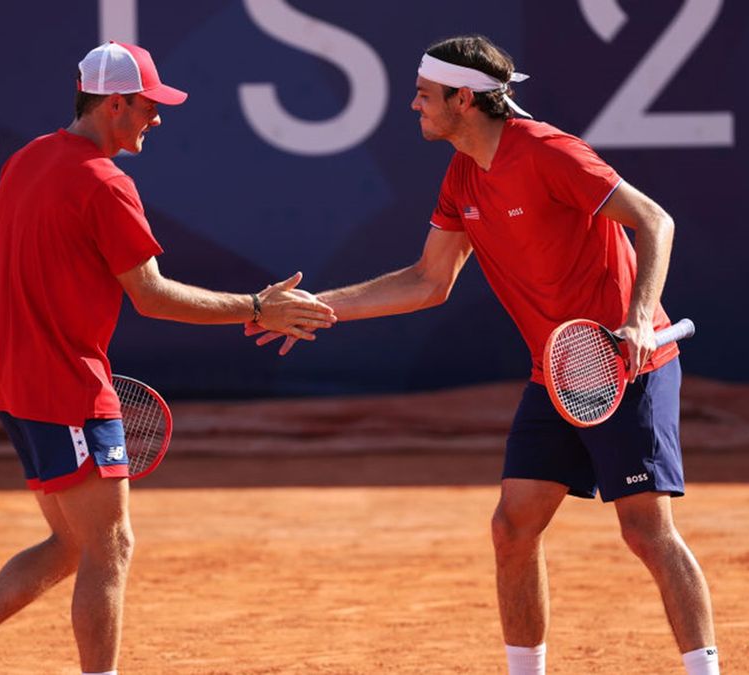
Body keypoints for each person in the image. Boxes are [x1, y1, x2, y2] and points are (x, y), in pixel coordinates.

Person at [249, 34, 719, 675]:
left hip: (624, 366)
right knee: (512, 527)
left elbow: (655, 221)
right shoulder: (462, 174)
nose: (414, 105)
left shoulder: (551, 153)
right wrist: (317, 308)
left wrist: (639, 319)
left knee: (645, 532)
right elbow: (427, 281)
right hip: (554, 374)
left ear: (463, 99)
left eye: (424, 96)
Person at [0, 41, 336, 675]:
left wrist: (26, 344)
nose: (157, 118)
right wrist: (256, 309)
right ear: (114, 104)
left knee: (73, 544)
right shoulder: (106, 183)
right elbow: (152, 296)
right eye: (149, 106)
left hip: (20, 390)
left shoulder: (25, 160)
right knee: (111, 545)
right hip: (70, 391)